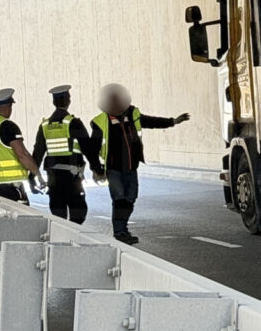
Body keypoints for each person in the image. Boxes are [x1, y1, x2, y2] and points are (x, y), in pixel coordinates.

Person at [89, 84, 190, 244]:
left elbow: (150, 121)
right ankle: (120, 232)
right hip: (114, 169)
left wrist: (172, 121)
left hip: (131, 167)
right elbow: (93, 149)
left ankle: (122, 228)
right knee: (120, 199)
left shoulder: (132, 114)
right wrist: (97, 169)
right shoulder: (100, 122)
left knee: (130, 197)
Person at [31, 84, 101, 224]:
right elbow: (88, 149)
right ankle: (72, 238)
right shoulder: (73, 123)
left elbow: (37, 153)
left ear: (53, 102)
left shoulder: (44, 126)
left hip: (54, 178)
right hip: (72, 177)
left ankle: (61, 237)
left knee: (58, 214)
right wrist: (98, 170)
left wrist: (32, 177)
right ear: (68, 100)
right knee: (78, 212)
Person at [0, 88, 45, 202]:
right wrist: (37, 174)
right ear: (8, 107)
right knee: (21, 217)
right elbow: (22, 155)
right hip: (9, 185)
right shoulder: (7, 125)